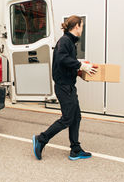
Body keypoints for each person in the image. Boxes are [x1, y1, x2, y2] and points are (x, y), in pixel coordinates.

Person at [32, 15, 97, 161]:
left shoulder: (70, 43)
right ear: (76, 27)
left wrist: (80, 72)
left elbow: (66, 64)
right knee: (68, 118)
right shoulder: (65, 41)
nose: (82, 29)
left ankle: (75, 149)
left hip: (69, 86)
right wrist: (80, 65)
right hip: (64, 87)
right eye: (82, 26)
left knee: (76, 117)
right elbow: (61, 58)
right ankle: (41, 139)